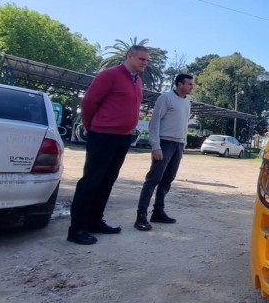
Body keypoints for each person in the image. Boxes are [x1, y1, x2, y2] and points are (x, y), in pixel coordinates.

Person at [66, 45, 150, 245]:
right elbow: (89, 102)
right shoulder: (109, 75)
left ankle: (95, 222)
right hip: (102, 136)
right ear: (129, 56)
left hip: (123, 138)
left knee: (107, 181)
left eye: (147, 61)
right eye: (141, 59)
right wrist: (91, 127)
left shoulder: (138, 81)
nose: (144, 63)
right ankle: (76, 229)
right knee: (91, 182)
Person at [134, 73, 194, 231]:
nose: (192, 87)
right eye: (189, 84)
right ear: (179, 84)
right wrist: (156, 146)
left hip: (178, 145)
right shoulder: (166, 98)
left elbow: (184, 125)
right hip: (165, 143)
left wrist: (184, 144)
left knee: (167, 180)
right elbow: (154, 123)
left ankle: (158, 211)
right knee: (153, 180)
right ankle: (141, 216)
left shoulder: (187, 102)